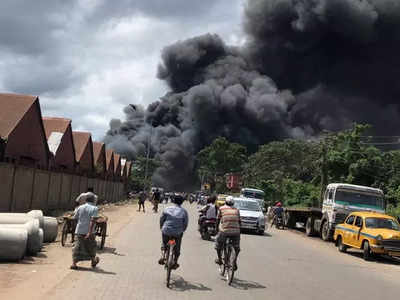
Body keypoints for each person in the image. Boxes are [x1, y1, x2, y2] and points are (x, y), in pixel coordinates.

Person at [158, 194, 189, 269]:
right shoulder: (184, 211)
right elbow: (185, 223)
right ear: (182, 202)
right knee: (177, 248)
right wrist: (182, 230)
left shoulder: (167, 208)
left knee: (164, 243)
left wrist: (161, 227)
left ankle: (162, 256)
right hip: (177, 232)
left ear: (173, 201)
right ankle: (175, 262)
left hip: (166, 230)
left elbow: (161, 219)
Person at [70, 194, 100, 269]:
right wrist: (89, 232)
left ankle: (74, 264)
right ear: (93, 201)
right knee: (91, 246)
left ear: (86, 200)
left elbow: (75, 218)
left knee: (77, 246)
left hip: (79, 230)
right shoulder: (94, 208)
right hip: (89, 231)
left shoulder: (80, 207)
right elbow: (92, 221)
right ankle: (93, 261)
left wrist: (78, 226)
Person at [215, 196, 241, 271]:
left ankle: (220, 260)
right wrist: (239, 232)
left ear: (225, 202)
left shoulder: (221, 208)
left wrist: (216, 230)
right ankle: (234, 262)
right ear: (233, 203)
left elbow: (218, 220)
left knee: (218, 244)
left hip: (224, 231)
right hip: (236, 232)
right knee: (237, 248)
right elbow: (239, 222)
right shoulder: (237, 210)